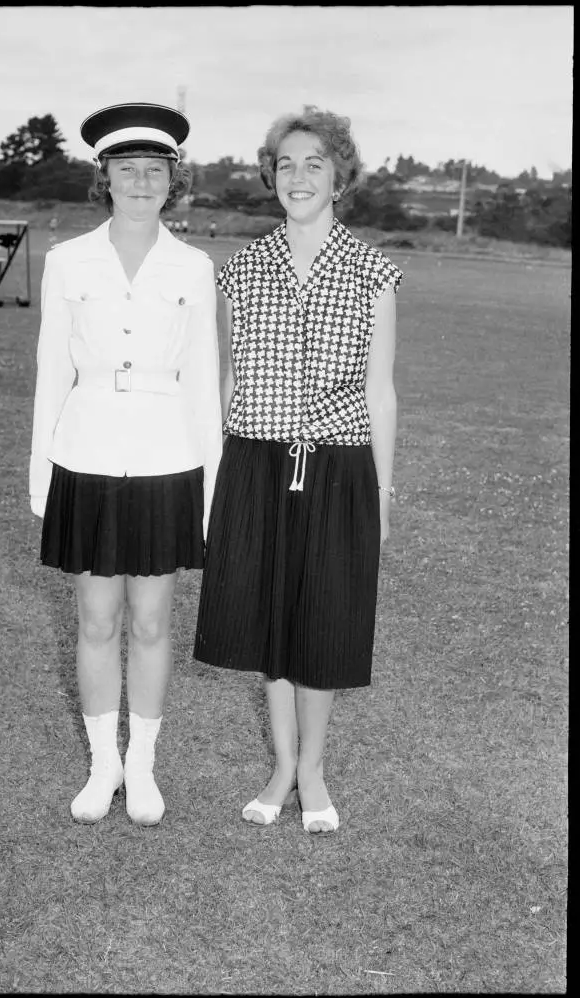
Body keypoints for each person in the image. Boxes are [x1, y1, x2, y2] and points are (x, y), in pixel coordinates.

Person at [194, 106, 402, 834]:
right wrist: (217, 474)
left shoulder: (372, 270)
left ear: (340, 177)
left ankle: (312, 770)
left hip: (340, 467)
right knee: (269, 621)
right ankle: (281, 766)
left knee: (322, 620)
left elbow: (380, 391)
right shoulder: (242, 269)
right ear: (269, 176)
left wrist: (382, 488)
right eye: (285, 163)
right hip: (255, 460)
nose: (298, 176)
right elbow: (228, 380)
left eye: (314, 162)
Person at [30, 102, 222, 826]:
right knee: (95, 617)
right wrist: (42, 475)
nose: (140, 182)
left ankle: (141, 766)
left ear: (172, 181)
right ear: (103, 178)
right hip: (85, 450)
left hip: (167, 457)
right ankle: (101, 765)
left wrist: (208, 484)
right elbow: (51, 370)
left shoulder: (195, 266)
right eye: (126, 169)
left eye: (155, 170)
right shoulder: (67, 260)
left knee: (150, 623)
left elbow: (203, 380)